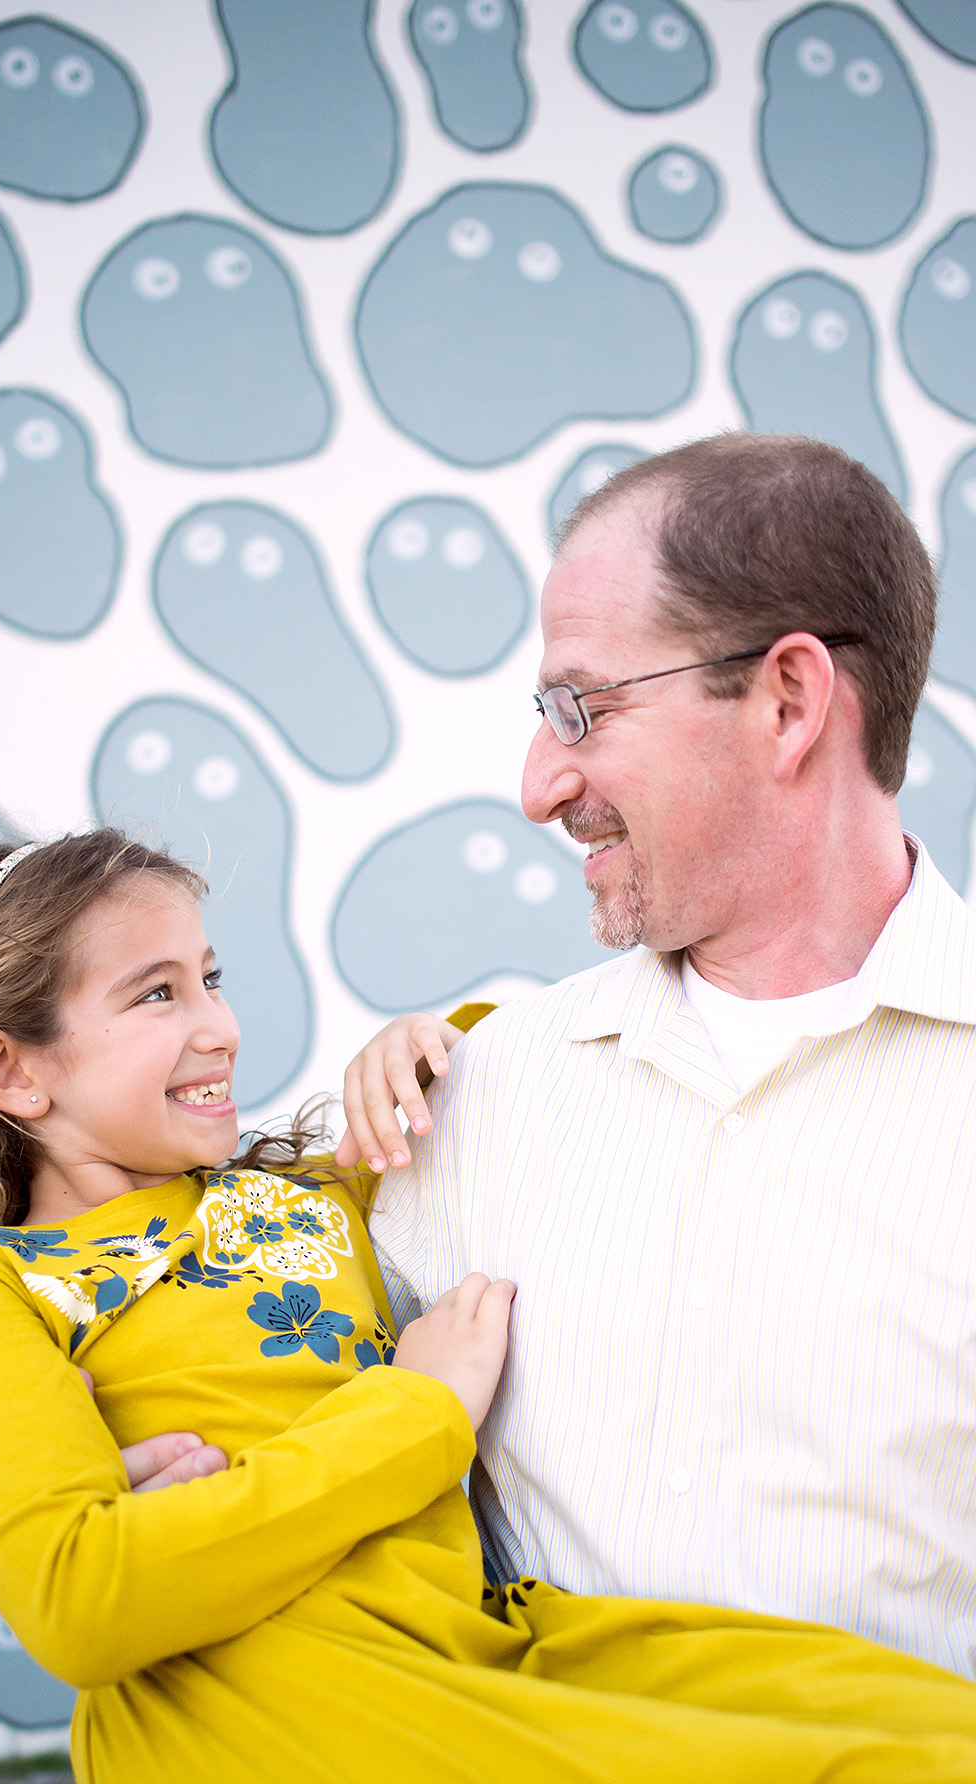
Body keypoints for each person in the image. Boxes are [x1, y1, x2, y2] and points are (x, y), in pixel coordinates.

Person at [0, 828, 976, 1783]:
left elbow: (508, 1075)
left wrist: (415, 1043)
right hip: (273, 1705)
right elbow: (82, 1599)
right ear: (12, 1071)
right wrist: (420, 1408)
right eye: (157, 993)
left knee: (897, 1717)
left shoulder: (303, 1195)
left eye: (212, 978)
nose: (220, 1027)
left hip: (477, 1639)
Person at [344, 433, 976, 1682]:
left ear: (788, 701)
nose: (539, 784)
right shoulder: (472, 1090)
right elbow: (287, 1404)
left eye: (581, 706)